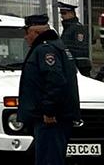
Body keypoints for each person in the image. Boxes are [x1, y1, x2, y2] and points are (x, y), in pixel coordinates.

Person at [19, 12, 79, 165]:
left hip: (51, 120)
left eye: (27, 33)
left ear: (35, 32)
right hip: (55, 118)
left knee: (48, 160)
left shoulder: (45, 49)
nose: (25, 38)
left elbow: (55, 81)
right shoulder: (57, 46)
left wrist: (49, 111)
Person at [58, 2, 92, 77]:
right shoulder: (68, 28)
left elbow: (80, 47)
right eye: (61, 13)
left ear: (71, 13)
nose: (62, 16)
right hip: (71, 63)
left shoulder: (77, 28)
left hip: (79, 65)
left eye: (64, 13)